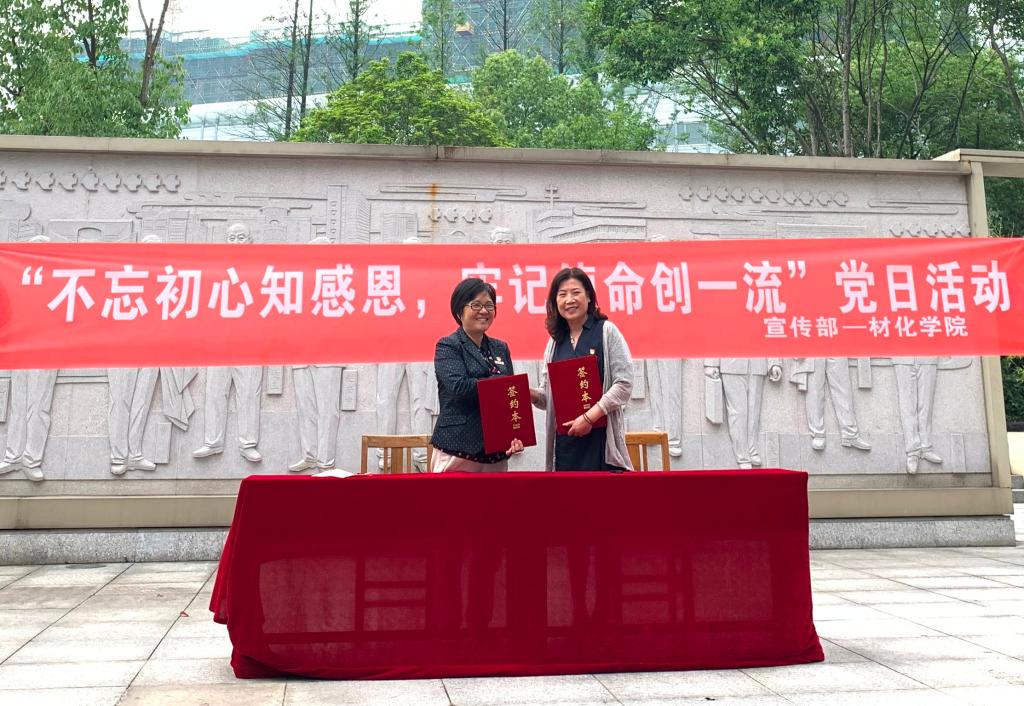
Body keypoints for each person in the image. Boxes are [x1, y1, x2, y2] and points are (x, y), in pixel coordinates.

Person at [532, 268, 634, 471]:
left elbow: (624, 384)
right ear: (555, 302)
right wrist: (529, 393)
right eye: (562, 294)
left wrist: (588, 418)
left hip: (600, 443)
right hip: (566, 446)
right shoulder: (554, 342)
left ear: (588, 296)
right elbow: (547, 399)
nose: (569, 300)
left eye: (576, 292)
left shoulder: (606, 331)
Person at [430, 278, 525, 471]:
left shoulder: (500, 347)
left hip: (496, 453)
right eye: (476, 305)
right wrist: (499, 382)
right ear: (459, 310)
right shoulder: (448, 345)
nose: (484, 311)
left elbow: (508, 397)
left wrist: (514, 435)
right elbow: (460, 387)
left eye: (489, 305)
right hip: (457, 450)